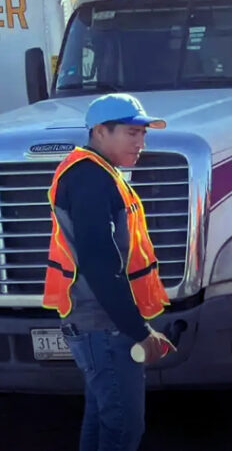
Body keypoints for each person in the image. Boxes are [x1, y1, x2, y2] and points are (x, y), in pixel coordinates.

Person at [42, 93, 175, 451]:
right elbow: (100, 263)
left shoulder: (95, 173)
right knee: (123, 428)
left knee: (103, 419)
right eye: (132, 133)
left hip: (96, 323)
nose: (141, 143)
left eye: (143, 134)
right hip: (104, 326)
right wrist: (138, 330)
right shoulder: (91, 178)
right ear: (100, 131)